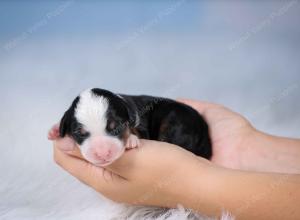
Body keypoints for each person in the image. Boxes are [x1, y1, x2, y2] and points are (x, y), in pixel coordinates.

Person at [50, 99, 300, 219]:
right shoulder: (115, 112)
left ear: (129, 119)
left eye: (114, 129)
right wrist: (247, 146)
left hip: (185, 131)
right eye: (82, 134)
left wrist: (189, 183)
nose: (101, 150)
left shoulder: (136, 116)